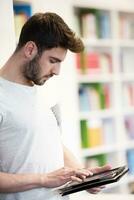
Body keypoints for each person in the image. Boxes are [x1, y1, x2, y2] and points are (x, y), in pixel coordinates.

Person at [0, 12, 111, 200]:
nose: (57, 72)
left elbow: (51, 143)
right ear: (30, 49)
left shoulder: (40, 91)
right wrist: (43, 179)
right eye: (53, 61)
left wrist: (81, 173)